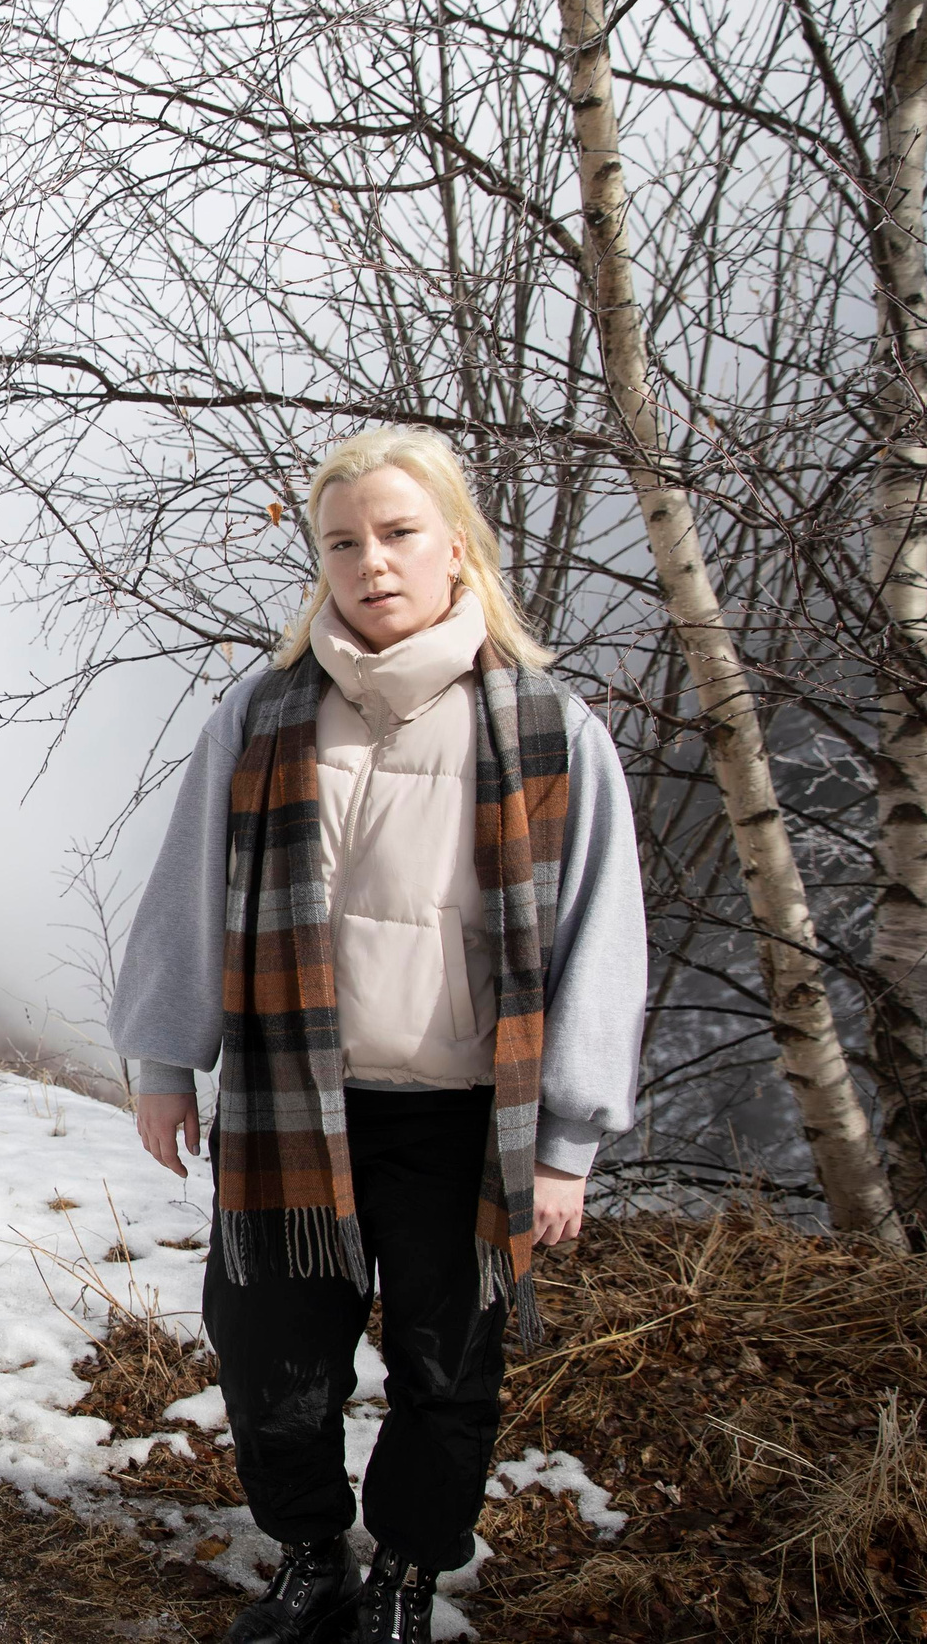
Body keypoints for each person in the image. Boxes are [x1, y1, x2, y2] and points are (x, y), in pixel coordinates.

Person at [109, 426, 646, 1644]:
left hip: (464, 1120)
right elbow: (187, 890)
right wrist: (163, 1061)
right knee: (268, 1360)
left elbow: (598, 934)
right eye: (342, 542)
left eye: (399, 533)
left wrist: (568, 1139)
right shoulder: (264, 713)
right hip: (296, 1107)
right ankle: (310, 1557)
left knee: (446, 1372)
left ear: (457, 545)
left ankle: (405, 1575)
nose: (372, 562)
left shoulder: (549, 727)